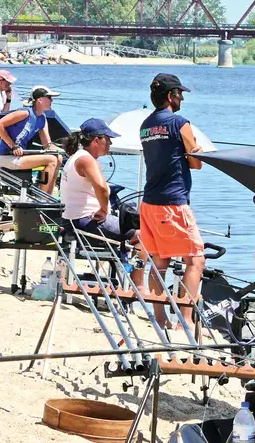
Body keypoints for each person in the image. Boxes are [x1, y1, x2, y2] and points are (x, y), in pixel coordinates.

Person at [139, 73, 205, 330]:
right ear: (170, 96)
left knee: (159, 260)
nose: (182, 99)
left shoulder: (145, 125)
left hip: (149, 201)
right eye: (180, 94)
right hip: (173, 201)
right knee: (195, 259)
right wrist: (196, 152)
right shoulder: (179, 122)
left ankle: (160, 317)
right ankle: (185, 321)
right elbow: (196, 163)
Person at [61, 119, 149, 292]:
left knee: (132, 229)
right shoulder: (86, 160)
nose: (110, 143)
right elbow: (101, 187)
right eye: (107, 139)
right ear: (96, 140)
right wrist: (103, 209)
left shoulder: (77, 157)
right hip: (83, 222)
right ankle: (137, 286)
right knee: (143, 236)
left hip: (73, 220)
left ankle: (129, 270)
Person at [0, 85, 61, 194]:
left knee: (59, 158)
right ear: (40, 99)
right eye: (49, 98)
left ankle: (49, 196)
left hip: (20, 157)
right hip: (6, 157)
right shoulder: (25, 113)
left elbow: (47, 145)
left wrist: (68, 151)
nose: (52, 100)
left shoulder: (42, 118)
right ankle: (42, 198)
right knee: (52, 160)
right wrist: (13, 146)